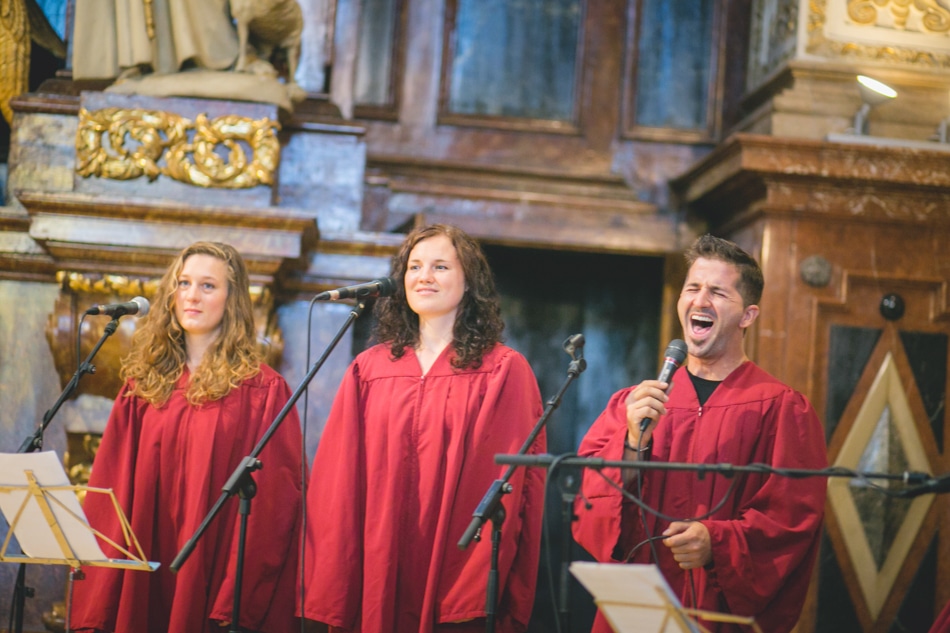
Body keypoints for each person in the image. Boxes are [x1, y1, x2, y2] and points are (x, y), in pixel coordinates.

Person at [572, 234, 828, 633]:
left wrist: (719, 543)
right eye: (693, 288)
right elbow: (590, 503)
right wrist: (632, 444)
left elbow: (791, 520)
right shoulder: (635, 403)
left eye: (718, 292)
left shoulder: (781, 408)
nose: (701, 300)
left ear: (748, 316)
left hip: (718, 611)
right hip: (636, 611)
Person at [301, 224, 546, 633]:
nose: (423, 276)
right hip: (378, 557)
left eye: (440, 266)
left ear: (469, 283)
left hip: (454, 565)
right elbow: (338, 479)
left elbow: (507, 484)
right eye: (414, 266)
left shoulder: (501, 370)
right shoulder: (370, 369)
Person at [70, 242, 303, 633]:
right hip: (145, 561)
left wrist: (236, 599)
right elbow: (108, 489)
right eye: (184, 283)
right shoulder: (142, 387)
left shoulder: (262, 390)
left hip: (213, 574)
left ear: (232, 301)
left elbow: (275, 506)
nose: (192, 295)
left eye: (208, 286)